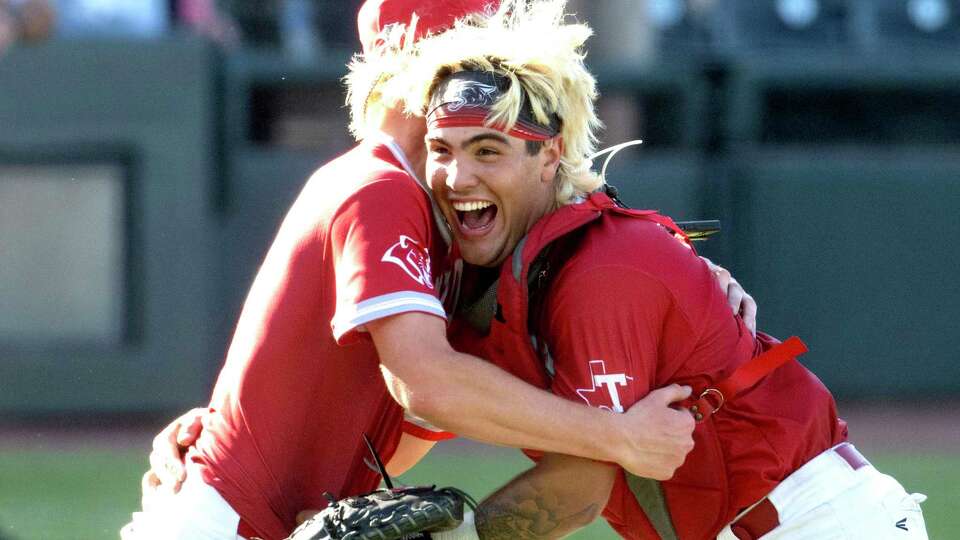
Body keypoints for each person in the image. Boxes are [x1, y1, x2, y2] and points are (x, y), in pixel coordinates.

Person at [122, 2, 759, 538]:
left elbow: (415, 423)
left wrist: (691, 280)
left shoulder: (444, 220)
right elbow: (425, 384)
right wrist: (617, 437)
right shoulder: (380, 186)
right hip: (220, 522)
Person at [383, 2, 927, 538]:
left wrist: (466, 535)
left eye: (486, 151)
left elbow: (582, 483)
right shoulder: (503, 268)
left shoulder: (597, 272)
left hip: (818, 523)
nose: (457, 176)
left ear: (549, 158)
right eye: (441, 150)